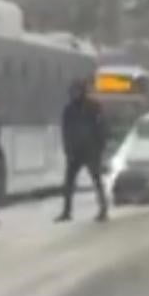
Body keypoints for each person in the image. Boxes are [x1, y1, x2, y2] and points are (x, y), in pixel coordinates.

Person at [57, 78, 108, 222]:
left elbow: (101, 128)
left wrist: (99, 146)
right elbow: (66, 131)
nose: (74, 94)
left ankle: (103, 209)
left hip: (91, 150)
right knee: (68, 183)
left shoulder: (93, 107)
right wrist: (67, 148)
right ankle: (66, 211)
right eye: (73, 91)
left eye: (77, 91)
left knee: (96, 180)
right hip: (76, 151)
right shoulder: (69, 109)